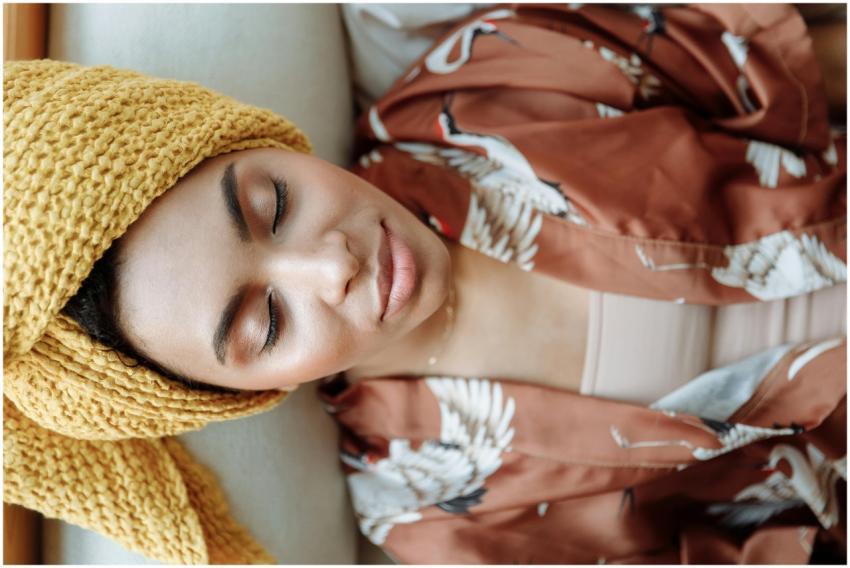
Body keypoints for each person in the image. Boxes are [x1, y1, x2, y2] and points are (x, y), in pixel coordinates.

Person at [4, 3, 846, 564]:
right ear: (234, 395)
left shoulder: (486, 87)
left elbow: (792, 67)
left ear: (259, 140)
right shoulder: (433, 510)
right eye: (265, 323)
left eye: (275, 201)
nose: (331, 265)